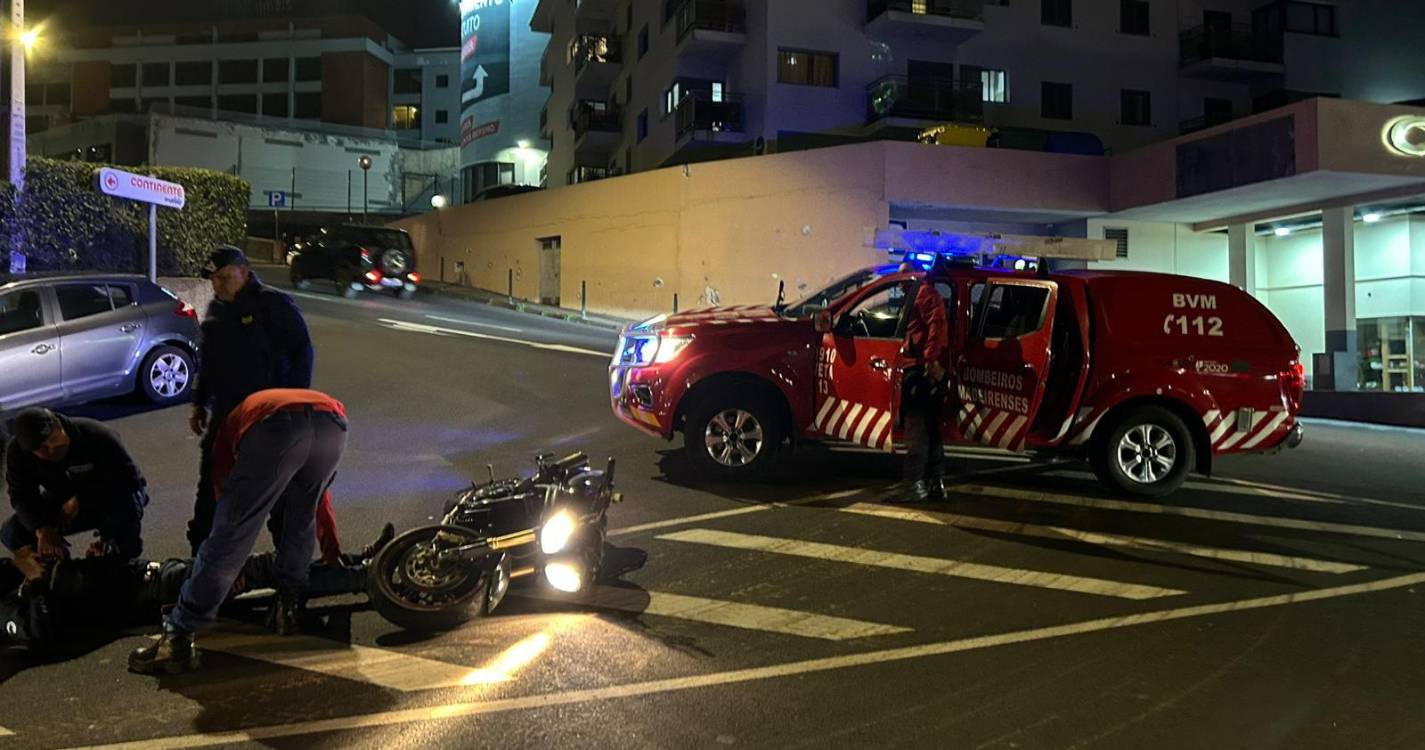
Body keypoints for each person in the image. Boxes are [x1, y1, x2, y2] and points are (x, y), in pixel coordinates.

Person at [130, 388, 349, 675]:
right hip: (332, 425)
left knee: (232, 533)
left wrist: (227, 566)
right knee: (301, 518)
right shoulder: (269, 405)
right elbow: (319, 504)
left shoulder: (231, 430)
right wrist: (331, 551)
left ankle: (178, 637)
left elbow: (227, 510)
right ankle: (288, 608)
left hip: (277, 426)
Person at [188, 245, 315, 555]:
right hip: (225, 415)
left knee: (278, 493)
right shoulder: (217, 309)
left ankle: (290, 571)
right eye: (214, 279)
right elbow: (210, 359)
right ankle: (202, 561)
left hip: (269, 416)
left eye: (224, 277)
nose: (218, 285)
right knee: (211, 489)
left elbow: (302, 353)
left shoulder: (272, 305)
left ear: (243, 272)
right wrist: (200, 400)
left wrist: (294, 403)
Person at [2, 408, 149, 564]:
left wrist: (81, 500)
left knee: (124, 516)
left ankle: (117, 561)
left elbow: (129, 482)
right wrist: (42, 528)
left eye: (53, 441)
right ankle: (57, 568)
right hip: (62, 501)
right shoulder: (18, 453)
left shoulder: (97, 435)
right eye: (42, 449)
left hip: (109, 494)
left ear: (59, 426)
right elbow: (21, 495)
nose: (51, 450)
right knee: (11, 532)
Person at [888, 257, 952, 504]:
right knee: (930, 430)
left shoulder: (925, 295)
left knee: (917, 431)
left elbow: (937, 328)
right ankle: (935, 483)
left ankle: (913, 484)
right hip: (919, 368)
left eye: (905, 276)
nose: (901, 283)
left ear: (916, 274)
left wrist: (929, 360)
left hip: (918, 371)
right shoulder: (917, 294)